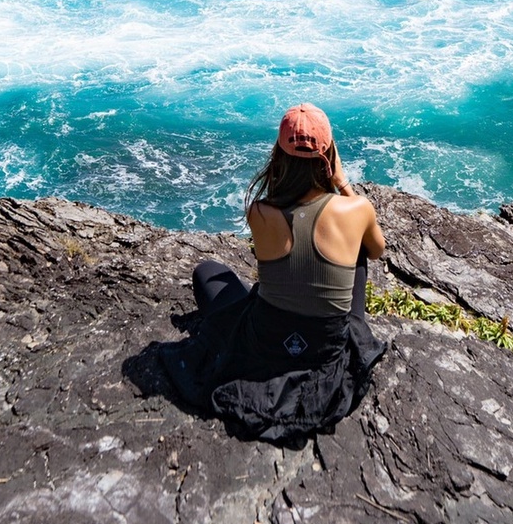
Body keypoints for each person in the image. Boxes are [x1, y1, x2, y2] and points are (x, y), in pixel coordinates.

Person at [160, 104, 387, 443]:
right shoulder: (357, 210)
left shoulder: (259, 211)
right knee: (358, 255)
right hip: (324, 350)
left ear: (278, 155)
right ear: (329, 155)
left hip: (266, 341)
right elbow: (377, 248)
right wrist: (342, 184)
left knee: (208, 272)